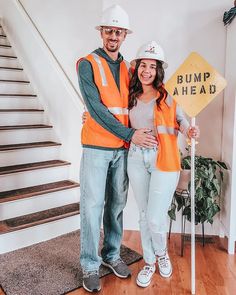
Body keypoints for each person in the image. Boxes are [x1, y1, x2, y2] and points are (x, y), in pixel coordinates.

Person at [76, 5, 157, 293]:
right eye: (109, 30)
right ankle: (89, 264)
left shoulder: (130, 68)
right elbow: (96, 110)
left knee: (117, 206)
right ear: (102, 32)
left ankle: (111, 255)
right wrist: (131, 134)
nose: (113, 35)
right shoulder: (87, 63)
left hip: (123, 149)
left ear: (124, 35)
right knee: (92, 206)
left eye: (118, 31)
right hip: (97, 147)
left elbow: (147, 96)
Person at [127, 41, 200, 288]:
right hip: (136, 159)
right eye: (143, 65)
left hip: (164, 160)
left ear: (159, 70)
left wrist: (190, 130)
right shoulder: (130, 95)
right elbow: (116, 119)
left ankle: (162, 255)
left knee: (156, 219)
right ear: (136, 67)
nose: (147, 71)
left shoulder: (168, 95)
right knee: (145, 215)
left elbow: (181, 121)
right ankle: (149, 263)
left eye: (152, 66)